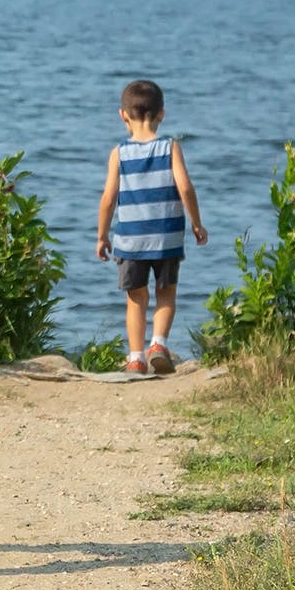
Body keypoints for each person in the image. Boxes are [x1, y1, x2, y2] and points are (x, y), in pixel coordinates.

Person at [93, 79, 207, 375]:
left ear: (123, 115)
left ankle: (135, 358)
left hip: (130, 239)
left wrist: (102, 235)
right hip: (167, 236)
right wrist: (196, 223)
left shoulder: (119, 153)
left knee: (136, 299)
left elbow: (108, 198)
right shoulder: (170, 147)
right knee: (166, 292)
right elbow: (186, 187)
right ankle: (158, 344)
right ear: (161, 114)